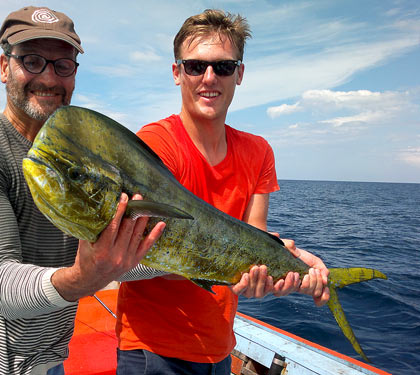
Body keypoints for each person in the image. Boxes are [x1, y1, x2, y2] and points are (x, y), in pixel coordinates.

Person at [0, 6, 165, 375]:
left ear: (75, 75)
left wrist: (203, 270)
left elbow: (110, 260)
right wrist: (84, 278)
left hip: (49, 363)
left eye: (62, 65)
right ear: (5, 67)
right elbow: (2, 285)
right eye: (32, 61)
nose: (49, 77)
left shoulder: (81, 163)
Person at [115, 9, 330, 375]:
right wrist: (232, 265)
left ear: (240, 74)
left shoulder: (259, 151)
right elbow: (129, 259)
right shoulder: (154, 146)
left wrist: (287, 263)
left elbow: (253, 238)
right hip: (152, 349)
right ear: (177, 73)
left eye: (224, 67)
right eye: (196, 66)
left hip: (219, 347)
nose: (209, 78)